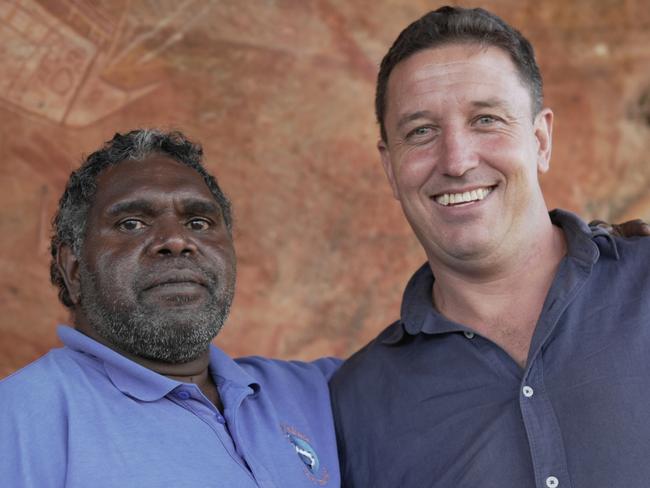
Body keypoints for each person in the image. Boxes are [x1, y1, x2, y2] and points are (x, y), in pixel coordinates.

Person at [329, 6, 650, 488]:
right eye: (421, 132)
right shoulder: (353, 409)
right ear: (390, 168)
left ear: (540, 140)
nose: (456, 160)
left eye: (486, 119)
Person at [0, 129, 340, 487]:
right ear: (74, 269)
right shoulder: (20, 418)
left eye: (199, 222)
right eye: (131, 224)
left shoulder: (321, 391)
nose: (177, 241)